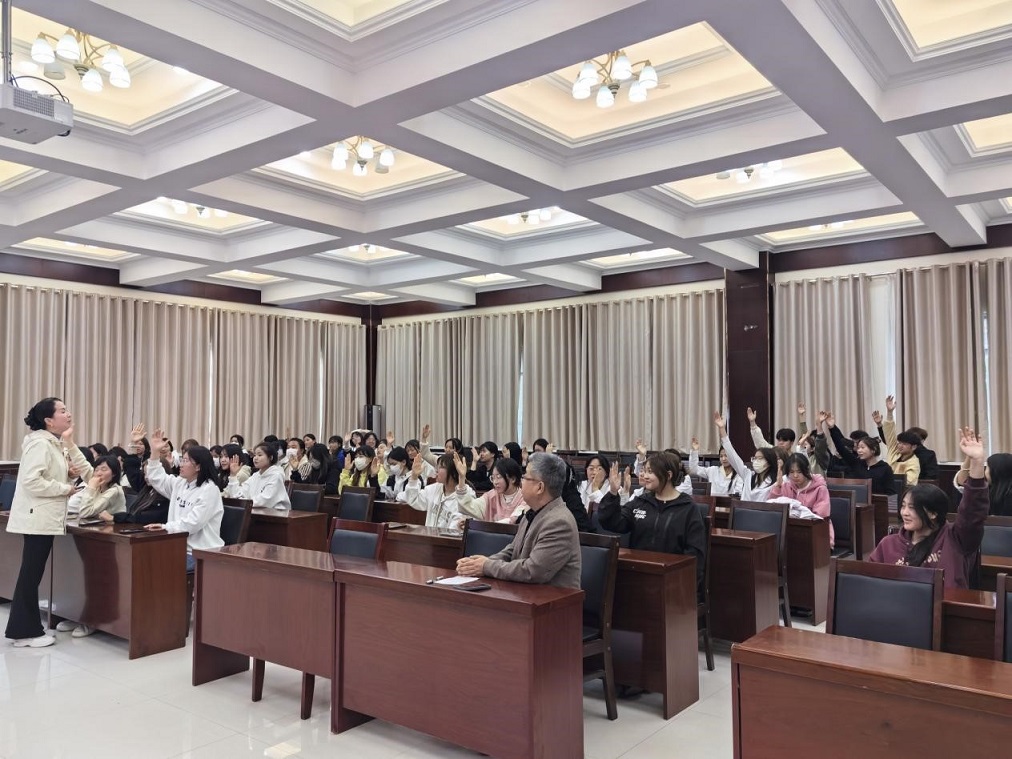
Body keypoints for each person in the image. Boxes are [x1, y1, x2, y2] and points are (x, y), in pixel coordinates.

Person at [4, 398, 86, 648]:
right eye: (62, 411)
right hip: (38, 518)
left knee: (31, 575)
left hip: (42, 517)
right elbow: (31, 481)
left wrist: (67, 474)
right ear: (49, 420)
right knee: (30, 575)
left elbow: (46, 475)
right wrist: (64, 488)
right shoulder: (41, 444)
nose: (68, 414)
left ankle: (25, 629)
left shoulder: (50, 442)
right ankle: (25, 632)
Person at [869, 428, 988, 589]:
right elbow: (871, 583)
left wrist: (977, 462)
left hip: (944, 604)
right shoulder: (888, 544)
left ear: (933, 513)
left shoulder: (955, 539)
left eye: (912, 508)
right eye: (903, 506)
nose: (904, 513)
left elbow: (972, 512)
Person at [456, 453, 581, 589]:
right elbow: (513, 550)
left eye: (525, 477)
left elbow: (532, 571)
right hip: (526, 592)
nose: (521, 482)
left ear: (540, 487)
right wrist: (479, 563)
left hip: (552, 598)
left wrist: (487, 566)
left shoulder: (559, 522)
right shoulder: (532, 512)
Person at [598, 453, 706, 595]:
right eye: (644, 471)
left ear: (668, 475)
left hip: (671, 583)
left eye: (650, 472)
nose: (644, 476)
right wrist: (613, 492)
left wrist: (683, 588)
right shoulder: (641, 501)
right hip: (637, 576)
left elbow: (695, 555)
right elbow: (613, 523)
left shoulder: (688, 508)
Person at [143, 428, 224, 571]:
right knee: (142, 559)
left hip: (200, 552)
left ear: (198, 466)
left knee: (157, 567)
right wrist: (155, 452)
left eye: (185, 461)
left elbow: (192, 524)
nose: (181, 464)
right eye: (181, 459)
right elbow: (157, 478)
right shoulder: (180, 483)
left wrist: (165, 527)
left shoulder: (209, 490)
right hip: (176, 547)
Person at [768, 453, 833, 546]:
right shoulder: (787, 486)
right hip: (791, 533)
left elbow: (821, 517)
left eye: (799, 472)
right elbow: (773, 507)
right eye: (791, 472)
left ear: (806, 470)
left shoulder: (820, 488)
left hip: (818, 534)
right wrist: (778, 486)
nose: (795, 476)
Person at [824, 412, 895, 496]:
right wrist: (832, 428)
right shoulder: (856, 463)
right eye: (858, 448)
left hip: (878, 503)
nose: (859, 450)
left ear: (873, 450)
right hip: (857, 502)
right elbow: (841, 448)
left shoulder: (885, 468)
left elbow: (891, 494)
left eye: (862, 447)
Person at [713, 412, 778, 501]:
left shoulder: (775, 482)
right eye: (754, 458)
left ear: (769, 461)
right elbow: (732, 456)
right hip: (742, 509)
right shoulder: (748, 475)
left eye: (760, 458)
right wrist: (722, 429)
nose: (756, 461)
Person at [398, 452, 473, 528]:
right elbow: (413, 499)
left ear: (454, 472)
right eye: (437, 466)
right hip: (430, 535)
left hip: (448, 535)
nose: (436, 470)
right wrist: (414, 477)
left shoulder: (466, 495)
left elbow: (457, 526)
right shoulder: (434, 488)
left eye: (441, 467)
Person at [458, 456, 528, 522]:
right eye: (493, 478)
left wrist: (488, 525)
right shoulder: (491, 496)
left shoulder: (524, 498)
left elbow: (513, 520)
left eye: (498, 477)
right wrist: (461, 478)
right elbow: (470, 507)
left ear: (513, 479)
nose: (495, 482)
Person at [224, 441, 290, 510]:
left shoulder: (276, 475)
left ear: (270, 457)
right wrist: (233, 475)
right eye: (255, 455)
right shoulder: (255, 476)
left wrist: (243, 502)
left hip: (275, 513)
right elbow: (237, 495)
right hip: (254, 511)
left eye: (259, 455)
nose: (255, 458)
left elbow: (264, 501)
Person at [875, 396, 920, 486]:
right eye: (899, 443)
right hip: (884, 487)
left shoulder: (914, 462)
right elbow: (890, 433)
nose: (900, 445)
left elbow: (909, 483)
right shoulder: (894, 450)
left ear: (913, 447)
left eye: (904, 444)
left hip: (900, 491)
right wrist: (890, 413)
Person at [68, 455, 126, 521]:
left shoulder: (115, 491)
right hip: (96, 524)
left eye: (104, 470)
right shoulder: (98, 487)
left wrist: (91, 488)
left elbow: (84, 513)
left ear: (114, 473)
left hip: (115, 526)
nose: (99, 473)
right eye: (96, 470)